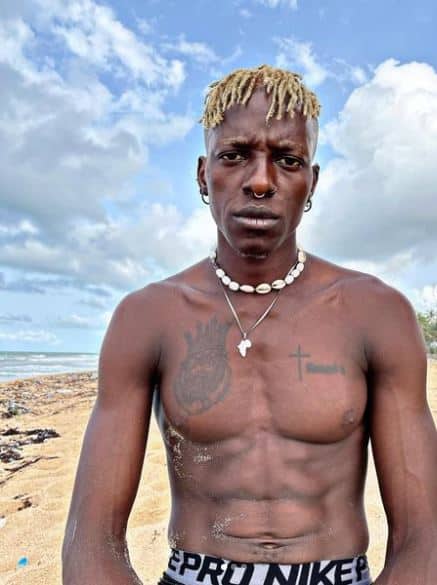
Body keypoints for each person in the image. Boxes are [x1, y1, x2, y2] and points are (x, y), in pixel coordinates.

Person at [62, 65, 437, 585]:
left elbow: (424, 537)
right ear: (203, 175)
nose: (260, 181)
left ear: (311, 182)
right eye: (234, 155)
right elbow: (90, 542)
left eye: (287, 160)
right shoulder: (146, 317)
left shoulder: (377, 313)